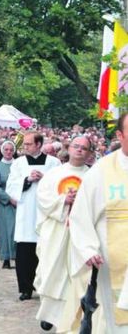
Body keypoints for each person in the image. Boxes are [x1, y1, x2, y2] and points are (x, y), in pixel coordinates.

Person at [69, 112, 128, 333]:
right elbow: (81, 215)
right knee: (119, 322)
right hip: (113, 262)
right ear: (120, 136)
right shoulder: (102, 171)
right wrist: (87, 249)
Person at [34, 136, 92, 332]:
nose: (79, 150)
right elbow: (42, 198)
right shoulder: (54, 174)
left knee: (77, 275)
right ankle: (50, 315)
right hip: (57, 231)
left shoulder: (93, 176)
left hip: (81, 234)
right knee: (53, 271)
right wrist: (63, 200)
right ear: (69, 148)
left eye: (84, 148)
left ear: (89, 152)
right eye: (76, 146)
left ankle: (76, 317)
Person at [6, 132, 61, 301]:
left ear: (38, 144)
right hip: (27, 211)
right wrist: (28, 179)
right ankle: (25, 288)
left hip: (46, 213)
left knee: (46, 252)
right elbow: (11, 186)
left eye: (29, 144)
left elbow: (59, 184)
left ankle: (46, 287)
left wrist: (44, 179)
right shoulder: (18, 163)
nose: (25, 147)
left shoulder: (54, 162)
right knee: (24, 253)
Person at [0, 140, 17, 269]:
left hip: (19, 202)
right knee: (6, 230)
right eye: (6, 150)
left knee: (17, 230)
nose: (8, 152)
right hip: (4, 204)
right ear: (2, 151)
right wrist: (8, 199)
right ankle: (6, 257)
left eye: (11, 150)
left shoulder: (18, 165)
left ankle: (17, 256)